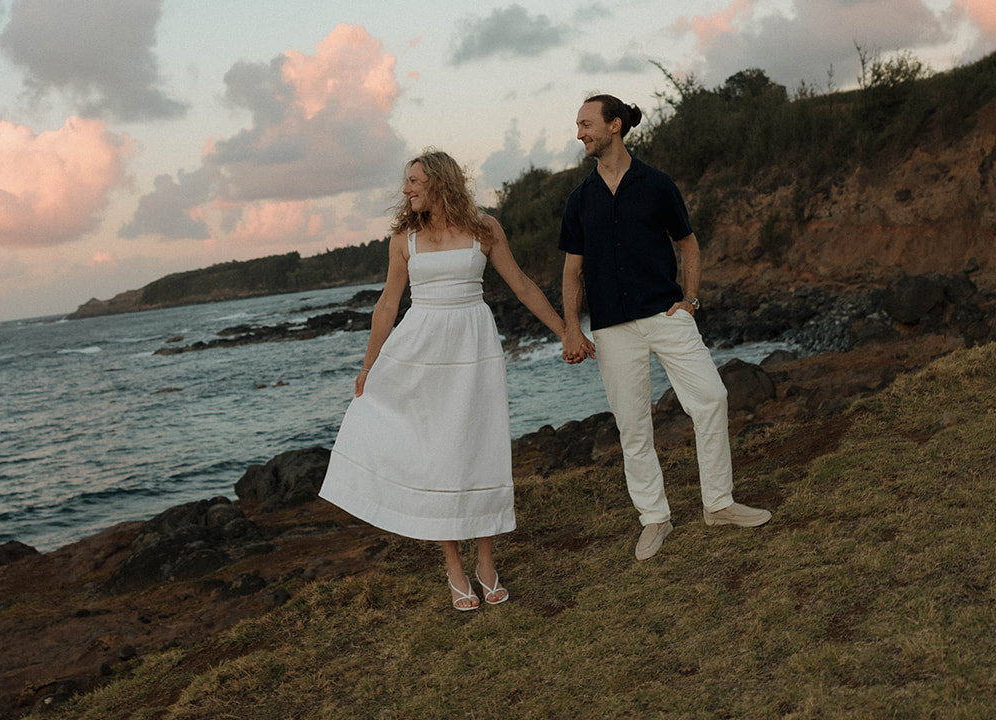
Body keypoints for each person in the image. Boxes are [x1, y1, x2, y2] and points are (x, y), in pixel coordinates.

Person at [320, 150, 594, 610]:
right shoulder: (403, 238)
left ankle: (486, 563)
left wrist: (567, 331)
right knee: (436, 457)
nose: (406, 190)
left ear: (439, 183)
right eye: (406, 182)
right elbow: (389, 304)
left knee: (478, 447)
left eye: (413, 181)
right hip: (420, 353)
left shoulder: (485, 229)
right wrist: (368, 366)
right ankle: (453, 566)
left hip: (474, 349)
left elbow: (523, 285)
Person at [559, 95, 771, 560]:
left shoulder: (657, 184)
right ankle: (655, 518)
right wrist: (572, 329)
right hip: (612, 329)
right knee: (633, 427)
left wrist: (690, 300)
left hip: (666, 315)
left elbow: (689, 245)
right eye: (578, 126)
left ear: (615, 125)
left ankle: (718, 504)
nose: (580, 133)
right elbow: (572, 272)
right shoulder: (579, 201)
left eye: (586, 124)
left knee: (711, 399)